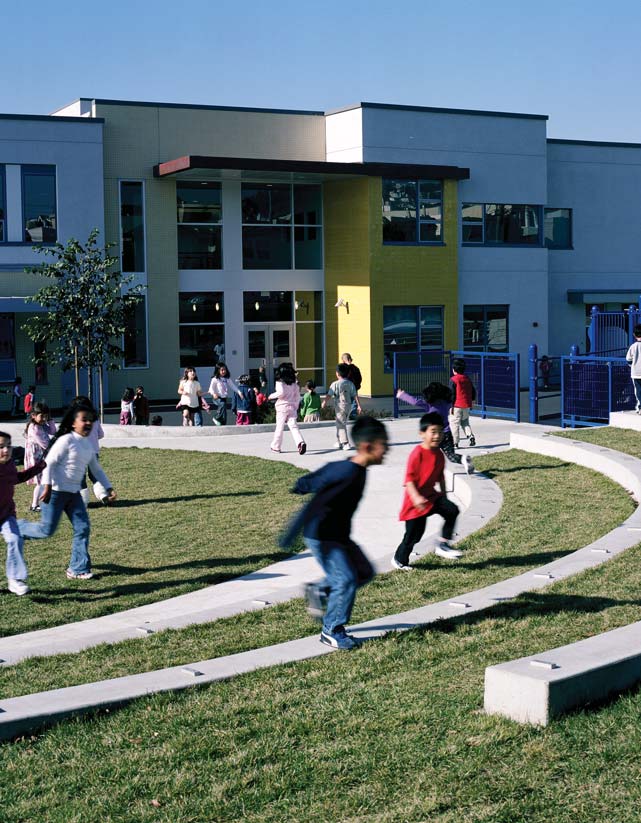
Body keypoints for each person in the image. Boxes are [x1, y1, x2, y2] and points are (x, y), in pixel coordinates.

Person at [280, 416, 388, 650]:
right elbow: (314, 495)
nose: (387, 451)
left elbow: (324, 473)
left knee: (364, 572)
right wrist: (302, 486)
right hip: (322, 536)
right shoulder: (346, 472)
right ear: (367, 446)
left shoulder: (356, 469)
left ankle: (320, 589)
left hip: (339, 535)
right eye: (384, 445)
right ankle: (331, 630)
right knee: (347, 579)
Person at [18, 401, 116, 581]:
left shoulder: (87, 445)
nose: (88, 423)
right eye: (83, 420)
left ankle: (77, 568)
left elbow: (96, 470)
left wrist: (108, 487)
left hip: (73, 495)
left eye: (90, 420)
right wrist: (46, 487)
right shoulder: (65, 441)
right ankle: (17, 528)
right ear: (73, 423)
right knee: (46, 530)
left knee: (83, 528)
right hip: (54, 492)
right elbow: (49, 463)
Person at [392, 412, 462, 571]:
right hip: (415, 503)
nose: (437, 436)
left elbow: (441, 477)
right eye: (433, 432)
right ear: (422, 434)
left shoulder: (438, 454)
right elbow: (408, 480)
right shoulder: (417, 454)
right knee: (414, 536)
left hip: (431, 498)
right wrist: (416, 498)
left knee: (452, 510)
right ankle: (399, 560)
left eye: (440, 431)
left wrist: (444, 497)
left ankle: (443, 544)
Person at [0, 430, 46, 595]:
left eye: (8, 446)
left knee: (15, 538)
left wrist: (39, 466)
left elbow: (17, 478)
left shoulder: (10, 464)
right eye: (1, 447)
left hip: (6, 515)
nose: (6, 450)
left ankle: (15, 580)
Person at [396, 383, 473, 473]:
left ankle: (427, 470)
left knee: (428, 452)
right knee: (451, 456)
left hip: (433, 435)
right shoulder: (447, 403)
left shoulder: (429, 404)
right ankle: (463, 459)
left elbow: (415, 401)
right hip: (446, 433)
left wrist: (402, 395)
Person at [24, 401, 56, 512]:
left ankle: (39, 503)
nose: (44, 419)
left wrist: (50, 420)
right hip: (36, 458)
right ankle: (34, 505)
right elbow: (46, 444)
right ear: (33, 415)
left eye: (46, 416)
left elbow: (53, 431)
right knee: (41, 481)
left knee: (43, 480)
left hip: (41, 456)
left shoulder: (40, 425)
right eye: (42, 416)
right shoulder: (34, 428)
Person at [269, 362, 306, 454]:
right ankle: (300, 442)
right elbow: (297, 396)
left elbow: (280, 393)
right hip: (292, 407)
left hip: (282, 407)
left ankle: (276, 446)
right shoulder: (295, 384)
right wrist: (296, 406)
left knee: (279, 427)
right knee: (294, 426)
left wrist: (270, 396)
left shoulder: (279, 382)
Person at [323, 363, 357, 450]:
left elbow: (329, 394)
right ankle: (338, 441)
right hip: (348, 405)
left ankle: (345, 443)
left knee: (341, 424)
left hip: (340, 406)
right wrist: (359, 406)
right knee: (339, 422)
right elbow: (355, 395)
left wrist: (324, 402)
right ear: (348, 374)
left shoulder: (335, 384)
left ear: (337, 373)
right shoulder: (350, 383)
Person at [449, 358, 476, 448]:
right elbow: (473, 391)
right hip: (466, 405)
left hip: (456, 406)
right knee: (465, 422)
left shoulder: (453, 379)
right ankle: (470, 436)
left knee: (454, 424)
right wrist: (472, 401)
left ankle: (455, 442)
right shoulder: (467, 378)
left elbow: (452, 394)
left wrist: (451, 406)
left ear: (454, 369)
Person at [341, 353, 363, 419]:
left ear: (343, 360)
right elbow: (360, 378)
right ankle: (353, 415)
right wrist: (357, 385)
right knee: (354, 402)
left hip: (346, 388)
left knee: (345, 402)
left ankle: (345, 415)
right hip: (354, 388)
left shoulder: (343, 368)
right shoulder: (356, 368)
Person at [626, 325, 641, 413]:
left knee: (638, 391)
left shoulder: (633, 346)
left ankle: (640, 407)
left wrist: (631, 365)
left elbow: (628, 359)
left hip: (636, 373)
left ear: (634, 335)